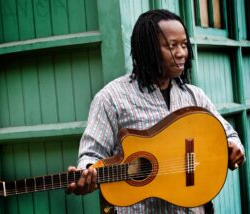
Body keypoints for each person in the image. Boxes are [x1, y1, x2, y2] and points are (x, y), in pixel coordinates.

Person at [67, 9, 245, 213]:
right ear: (148, 49)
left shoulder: (194, 96)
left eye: (184, 45)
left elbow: (227, 133)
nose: (181, 53)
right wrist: (86, 173)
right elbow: (91, 154)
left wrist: (234, 146)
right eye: (171, 46)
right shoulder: (111, 98)